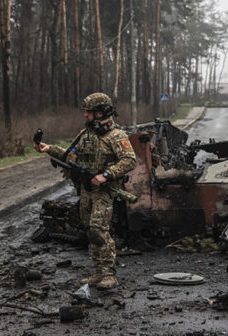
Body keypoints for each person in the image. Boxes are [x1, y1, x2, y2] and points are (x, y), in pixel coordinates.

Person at [35, 92, 136, 289]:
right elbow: (70, 154)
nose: (85, 115)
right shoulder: (86, 134)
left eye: (88, 112)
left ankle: (109, 274)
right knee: (90, 230)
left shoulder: (116, 135)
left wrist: (106, 175)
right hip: (86, 190)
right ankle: (98, 272)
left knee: (99, 230)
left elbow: (129, 160)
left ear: (99, 113)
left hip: (104, 191)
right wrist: (49, 149)